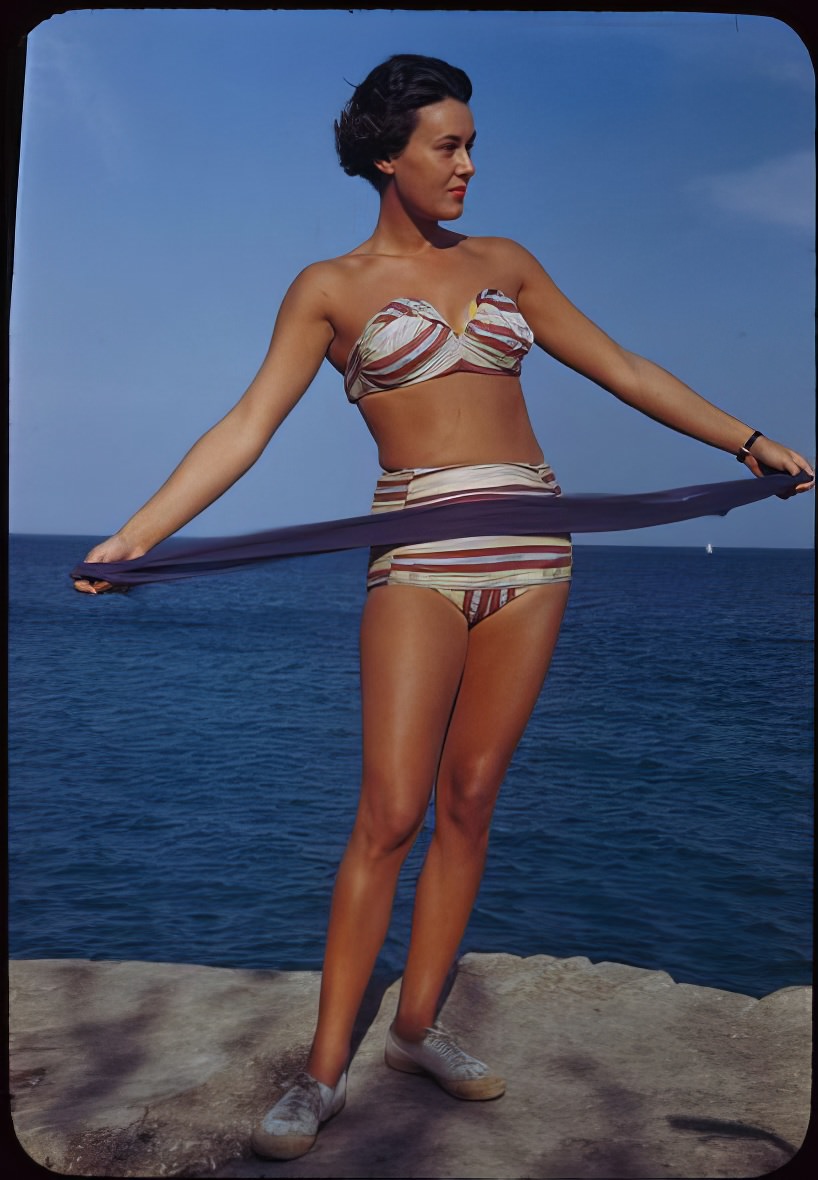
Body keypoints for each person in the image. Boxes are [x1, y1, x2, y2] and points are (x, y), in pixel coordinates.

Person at [73, 54, 813, 1159]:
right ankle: (322, 1074)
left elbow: (618, 364)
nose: (466, 165)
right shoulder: (326, 287)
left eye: (470, 145)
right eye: (445, 146)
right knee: (391, 810)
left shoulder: (506, 262)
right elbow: (244, 427)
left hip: (535, 548)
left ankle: (415, 1027)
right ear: (387, 154)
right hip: (415, 552)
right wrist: (136, 535)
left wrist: (746, 441)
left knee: (471, 799)